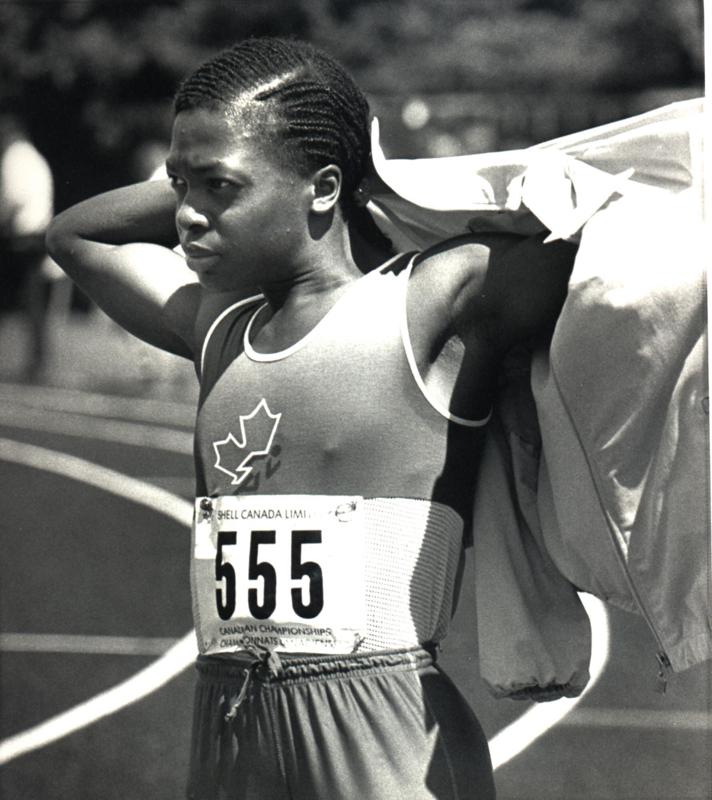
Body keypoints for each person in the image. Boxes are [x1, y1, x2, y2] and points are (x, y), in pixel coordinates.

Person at [46, 37, 580, 799]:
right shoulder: (218, 332)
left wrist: (385, 182)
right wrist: (212, 167)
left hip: (383, 732)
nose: (188, 218)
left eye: (219, 189)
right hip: (231, 724)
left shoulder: (428, 307)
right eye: (178, 187)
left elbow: (601, 241)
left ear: (322, 189)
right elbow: (75, 235)